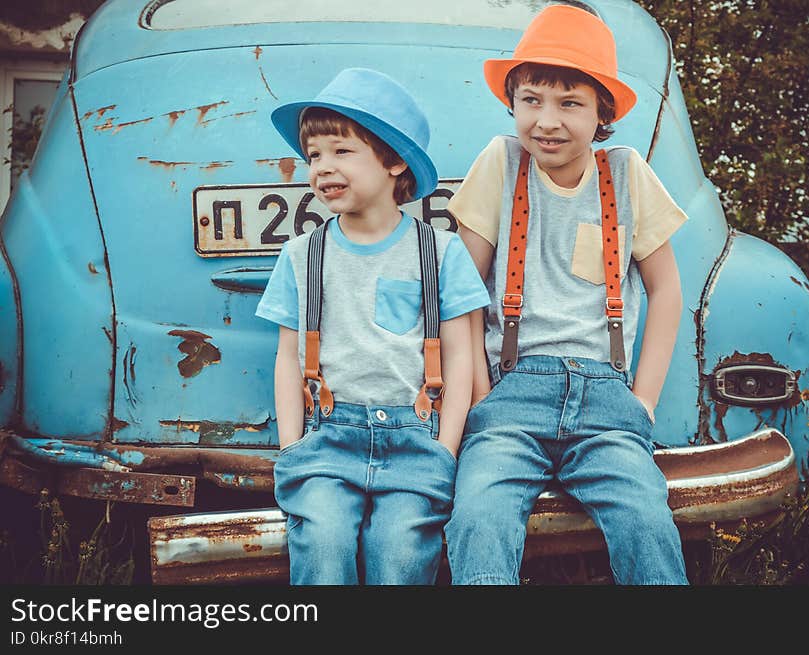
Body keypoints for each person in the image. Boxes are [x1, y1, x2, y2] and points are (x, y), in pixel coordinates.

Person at [444, 4, 690, 585]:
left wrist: (645, 401)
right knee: (477, 516)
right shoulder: (500, 163)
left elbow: (667, 290)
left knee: (646, 521)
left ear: (602, 111)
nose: (546, 120)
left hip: (607, 403)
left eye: (569, 103)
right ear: (513, 102)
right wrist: (481, 394)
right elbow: (460, 292)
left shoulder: (627, 173)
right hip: (511, 397)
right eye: (531, 99)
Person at [256, 68, 489, 585]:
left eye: (341, 151)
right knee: (321, 541)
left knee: (402, 551)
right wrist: (291, 446)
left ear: (393, 160)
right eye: (314, 155)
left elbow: (460, 358)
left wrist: (445, 449)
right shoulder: (300, 257)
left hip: (414, 440)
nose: (322, 167)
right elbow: (286, 357)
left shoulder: (440, 252)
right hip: (327, 441)